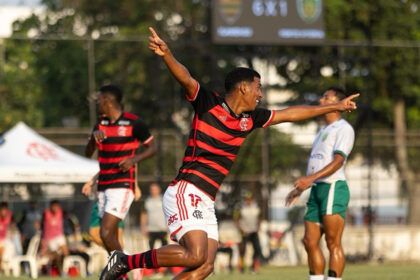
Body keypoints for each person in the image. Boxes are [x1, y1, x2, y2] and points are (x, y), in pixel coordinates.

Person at [99, 27, 359, 280]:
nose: (261, 93)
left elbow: (291, 113)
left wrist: (335, 106)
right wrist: (167, 54)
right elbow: (186, 78)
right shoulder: (208, 103)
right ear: (243, 88)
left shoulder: (251, 118)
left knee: (205, 266)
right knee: (194, 255)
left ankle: (126, 262)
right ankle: (125, 261)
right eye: (258, 87)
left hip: (206, 199)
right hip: (186, 190)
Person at [285, 87, 355, 280]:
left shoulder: (344, 128)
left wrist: (310, 179)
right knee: (309, 241)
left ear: (337, 104)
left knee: (333, 243)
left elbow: (338, 161)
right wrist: (301, 187)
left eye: (326, 97)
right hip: (316, 189)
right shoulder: (322, 130)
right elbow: (317, 162)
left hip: (333, 187)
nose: (321, 99)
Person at [85, 84, 157, 258]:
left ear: (107, 101)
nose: (98, 103)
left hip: (122, 185)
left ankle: (127, 265)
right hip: (103, 186)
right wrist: (93, 141)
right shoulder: (100, 124)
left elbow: (153, 147)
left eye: (99, 100)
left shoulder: (134, 122)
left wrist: (134, 159)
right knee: (105, 235)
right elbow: (88, 153)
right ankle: (126, 269)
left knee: (106, 231)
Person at [234, 193, 262, 274]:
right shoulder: (241, 208)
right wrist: (241, 229)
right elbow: (236, 220)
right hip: (244, 232)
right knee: (243, 250)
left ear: (252, 199)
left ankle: (254, 268)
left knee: (257, 250)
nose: (248, 200)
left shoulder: (256, 208)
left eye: (250, 199)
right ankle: (241, 268)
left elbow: (259, 218)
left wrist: (258, 228)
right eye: (247, 199)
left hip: (254, 231)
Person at [40, 200, 69, 275]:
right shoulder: (46, 213)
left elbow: (70, 217)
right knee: (55, 255)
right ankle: (59, 270)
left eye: (56, 206)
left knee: (65, 252)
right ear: (50, 206)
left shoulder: (61, 212)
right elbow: (41, 225)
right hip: (50, 238)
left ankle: (64, 269)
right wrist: (43, 240)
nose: (55, 208)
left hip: (59, 236)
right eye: (53, 206)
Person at [0, 202, 13, 272]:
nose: (4, 212)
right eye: (2, 210)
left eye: (5, 210)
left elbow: (13, 223)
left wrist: (12, 232)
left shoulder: (9, 215)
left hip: (4, 239)